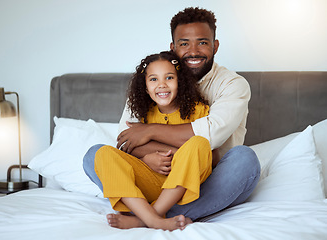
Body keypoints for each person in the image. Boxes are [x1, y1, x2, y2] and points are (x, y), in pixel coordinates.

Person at [84, 7, 260, 222]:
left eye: (202, 42)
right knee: (95, 155)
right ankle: (155, 215)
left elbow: (207, 139)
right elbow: (125, 140)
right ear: (173, 47)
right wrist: (148, 158)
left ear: (215, 46)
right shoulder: (150, 84)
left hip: (207, 181)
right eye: (184, 43)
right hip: (152, 176)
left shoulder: (233, 84)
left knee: (245, 159)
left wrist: (149, 131)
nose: (193, 51)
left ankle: (146, 218)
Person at [93, 51, 213, 230]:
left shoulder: (199, 110)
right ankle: (153, 219)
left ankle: (147, 219)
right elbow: (125, 146)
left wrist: (158, 148)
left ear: (180, 80)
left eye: (169, 77)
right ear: (145, 86)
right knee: (103, 153)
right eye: (154, 79)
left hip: (185, 184)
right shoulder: (143, 113)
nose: (162, 85)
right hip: (151, 181)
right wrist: (146, 159)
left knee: (199, 143)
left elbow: (211, 154)